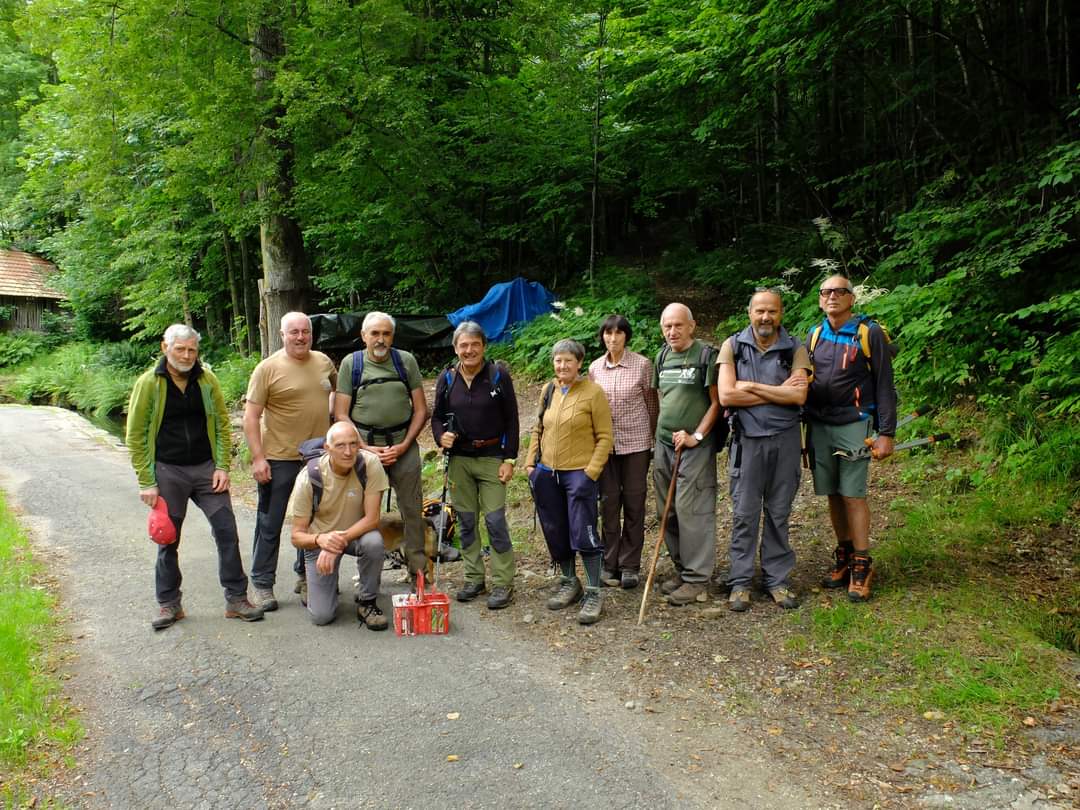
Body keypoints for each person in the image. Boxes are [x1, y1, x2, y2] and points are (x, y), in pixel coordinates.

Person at [126, 324, 264, 629]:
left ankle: (237, 599)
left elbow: (221, 426)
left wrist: (222, 466)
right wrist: (146, 481)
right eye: (180, 349)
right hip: (168, 471)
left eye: (192, 350)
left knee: (226, 530)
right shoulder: (149, 383)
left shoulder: (206, 380)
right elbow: (135, 435)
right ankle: (169, 604)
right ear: (165, 348)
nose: (187, 356)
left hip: (205, 469)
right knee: (167, 538)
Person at [805, 275, 897, 602]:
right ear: (820, 300)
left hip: (855, 423)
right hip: (819, 425)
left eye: (839, 291)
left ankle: (862, 562)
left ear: (851, 298)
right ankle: (844, 554)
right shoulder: (814, 335)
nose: (832, 296)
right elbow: (803, 382)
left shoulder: (868, 333)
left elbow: (885, 384)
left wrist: (886, 433)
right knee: (831, 493)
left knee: (853, 494)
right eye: (826, 292)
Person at [717, 290, 811, 612]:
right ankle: (740, 582)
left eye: (772, 311)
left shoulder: (795, 348)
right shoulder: (732, 346)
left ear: (781, 313)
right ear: (749, 312)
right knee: (744, 513)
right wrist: (778, 392)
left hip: (785, 441)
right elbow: (727, 396)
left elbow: (799, 397)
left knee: (779, 512)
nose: (765, 317)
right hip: (747, 442)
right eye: (760, 311)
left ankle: (777, 580)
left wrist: (752, 387)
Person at [243, 312, 337, 611]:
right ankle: (261, 584)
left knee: (312, 521)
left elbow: (336, 393)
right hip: (279, 457)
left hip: (319, 458)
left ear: (311, 334)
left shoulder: (323, 361)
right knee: (270, 522)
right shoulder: (267, 369)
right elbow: (251, 417)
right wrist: (258, 458)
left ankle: (307, 577)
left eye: (305, 331)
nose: (300, 337)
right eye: (293, 332)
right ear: (282, 335)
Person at [334, 312, 429, 585]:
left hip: (402, 443)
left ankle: (418, 573)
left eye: (386, 333)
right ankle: (367, 572)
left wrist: (404, 445)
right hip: (363, 447)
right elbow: (341, 413)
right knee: (361, 511)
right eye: (374, 333)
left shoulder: (405, 361)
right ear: (364, 336)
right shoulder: (351, 364)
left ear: (393, 336)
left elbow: (421, 410)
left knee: (411, 509)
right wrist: (364, 447)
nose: (380, 339)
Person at [431, 321, 520, 610]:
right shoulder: (447, 378)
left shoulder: (497, 375)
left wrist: (509, 458)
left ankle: (503, 582)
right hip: (459, 460)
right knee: (467, 522)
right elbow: (437, 417)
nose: (469, 350)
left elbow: (512, 419)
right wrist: (439, 436)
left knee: (494, 521)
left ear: (483, 346)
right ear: (456, 348)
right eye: (463, 345)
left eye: (474, 344)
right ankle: (473, 578)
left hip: (492, 457)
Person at [525, 339, 613, 625]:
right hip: (547, 472)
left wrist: (590, 473)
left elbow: (605, 437)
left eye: (568, 361)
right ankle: (568, 580)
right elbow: (538, 427)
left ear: (579, 364)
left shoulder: (593, 393)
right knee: (555, 529)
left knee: (584, 531)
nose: (562, 366)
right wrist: (530, 464)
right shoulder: (548, 390)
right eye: (558, 360)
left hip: (579, 473)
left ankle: (593, 591)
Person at [287, 422, 389, 628]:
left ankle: (367, 601)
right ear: (327, 448)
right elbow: (296, 536)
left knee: (374, 541)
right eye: (341, 445)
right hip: (320, 542)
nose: (348, 451)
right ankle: (316, 584)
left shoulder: (369, 464)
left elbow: (372, 519)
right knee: (322, 617)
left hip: (356, 535)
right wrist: (321, 539)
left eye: (353, 444)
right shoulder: (309, 478)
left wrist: (338, 542)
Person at [653, 303, 722, 606]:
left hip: (695, 446)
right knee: (665, 511)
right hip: (665, 444)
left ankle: (697, 579)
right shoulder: (662, 357)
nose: (672, 331)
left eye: (678, 325)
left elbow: (718, 402)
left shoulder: (706, 355)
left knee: (690, 508)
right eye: (667, 326)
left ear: (692, 326)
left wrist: (696, 435)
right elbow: (661, 397)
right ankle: (682, 569)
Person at [587, 314, 658, 590]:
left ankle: (630, 565)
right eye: (608, 333)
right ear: (602, 336)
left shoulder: (642, 365)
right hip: (605, 447)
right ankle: (609, 562)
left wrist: (650, 439)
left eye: (618, 333)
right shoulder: (595, 368)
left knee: (634, 503)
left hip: (637, 444)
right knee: (609, 502)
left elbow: (652, 404)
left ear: (626, 336)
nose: (613, 338)